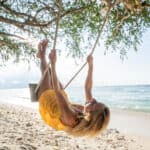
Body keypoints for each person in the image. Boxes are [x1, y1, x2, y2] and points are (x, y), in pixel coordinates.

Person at [37, 39, 110, 137]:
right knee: (50, 72)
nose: (93, 100)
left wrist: (53, 63)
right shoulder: (87, 110)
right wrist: (90, 65)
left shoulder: (71, 118)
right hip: (62, 101)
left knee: (46, 74)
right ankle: (41, 55)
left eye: (94, 104)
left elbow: (57, 91)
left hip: (50, 108)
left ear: (89, 115)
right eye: (96, 101)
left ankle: (42, 55)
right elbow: (87, 88)